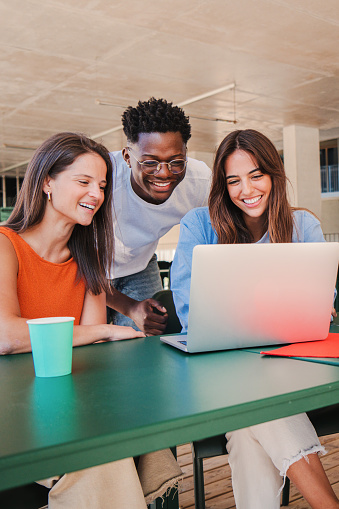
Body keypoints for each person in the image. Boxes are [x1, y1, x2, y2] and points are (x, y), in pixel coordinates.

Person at [0, 132, 182, 509]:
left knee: (127, 437)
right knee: (103, 453)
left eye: (101, 185)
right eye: (83, 182)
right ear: (47, 182)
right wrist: (101, 330)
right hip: (12, 412)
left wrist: (97, 337)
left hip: (69, 406)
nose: (96, 194)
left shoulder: (89, 258)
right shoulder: (5, 245)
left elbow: (93, 354)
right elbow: (6, 336)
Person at [170, 129, 339, 509]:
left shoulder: (303, 226)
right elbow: (190, 314)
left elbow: (319, 309)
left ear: (274, 175)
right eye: (233, 180)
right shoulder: (199, 224)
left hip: (289, 372)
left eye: (256, 175)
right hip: (219, 375)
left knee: (249, 424)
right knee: (260, 406)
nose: (246, 189)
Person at [106, 97, 211, 335]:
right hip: (86, 269)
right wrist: (130, 307)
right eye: (150, 162)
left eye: (176, 162)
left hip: (139, 264)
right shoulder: (103, 178)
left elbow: (225, 232)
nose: (164, 173)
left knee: (147, 341)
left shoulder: (200, 181)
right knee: (86, 352)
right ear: (127, 157)